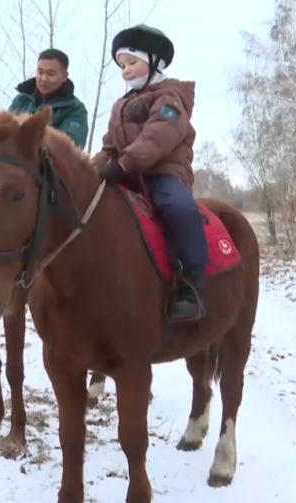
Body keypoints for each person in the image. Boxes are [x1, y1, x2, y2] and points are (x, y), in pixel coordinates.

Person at [92, 24, 207, 323]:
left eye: (132, 62)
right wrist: (89, 170)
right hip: (127, 173)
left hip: (163, 173)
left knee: (178, 207)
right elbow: (110, 146)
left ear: (155, 61)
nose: (126, 70)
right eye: (122, 65)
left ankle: (192, 285)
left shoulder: (170, 97)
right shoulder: (120, 105)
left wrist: (124, 164)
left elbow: (159, 136)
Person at [8, 49, 89, 149]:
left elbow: (69, 146)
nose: (43, 79)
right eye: (40, 72)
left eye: (50, 74)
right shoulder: (21, 100)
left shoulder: (75, 109)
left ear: (65, 76)